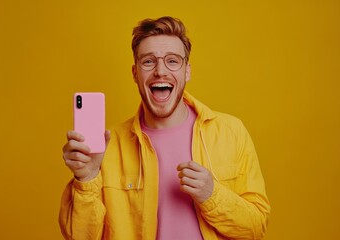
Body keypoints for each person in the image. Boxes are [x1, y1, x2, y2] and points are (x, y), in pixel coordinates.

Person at [59, 16, 270, 240]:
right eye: (148, 61)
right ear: (135, 73)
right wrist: (87, 178)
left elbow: (256, 228)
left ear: (187, 71)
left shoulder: (231, 132)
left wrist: (212, 195)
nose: (161, 71)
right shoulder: (107, 148)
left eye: (172, 61)